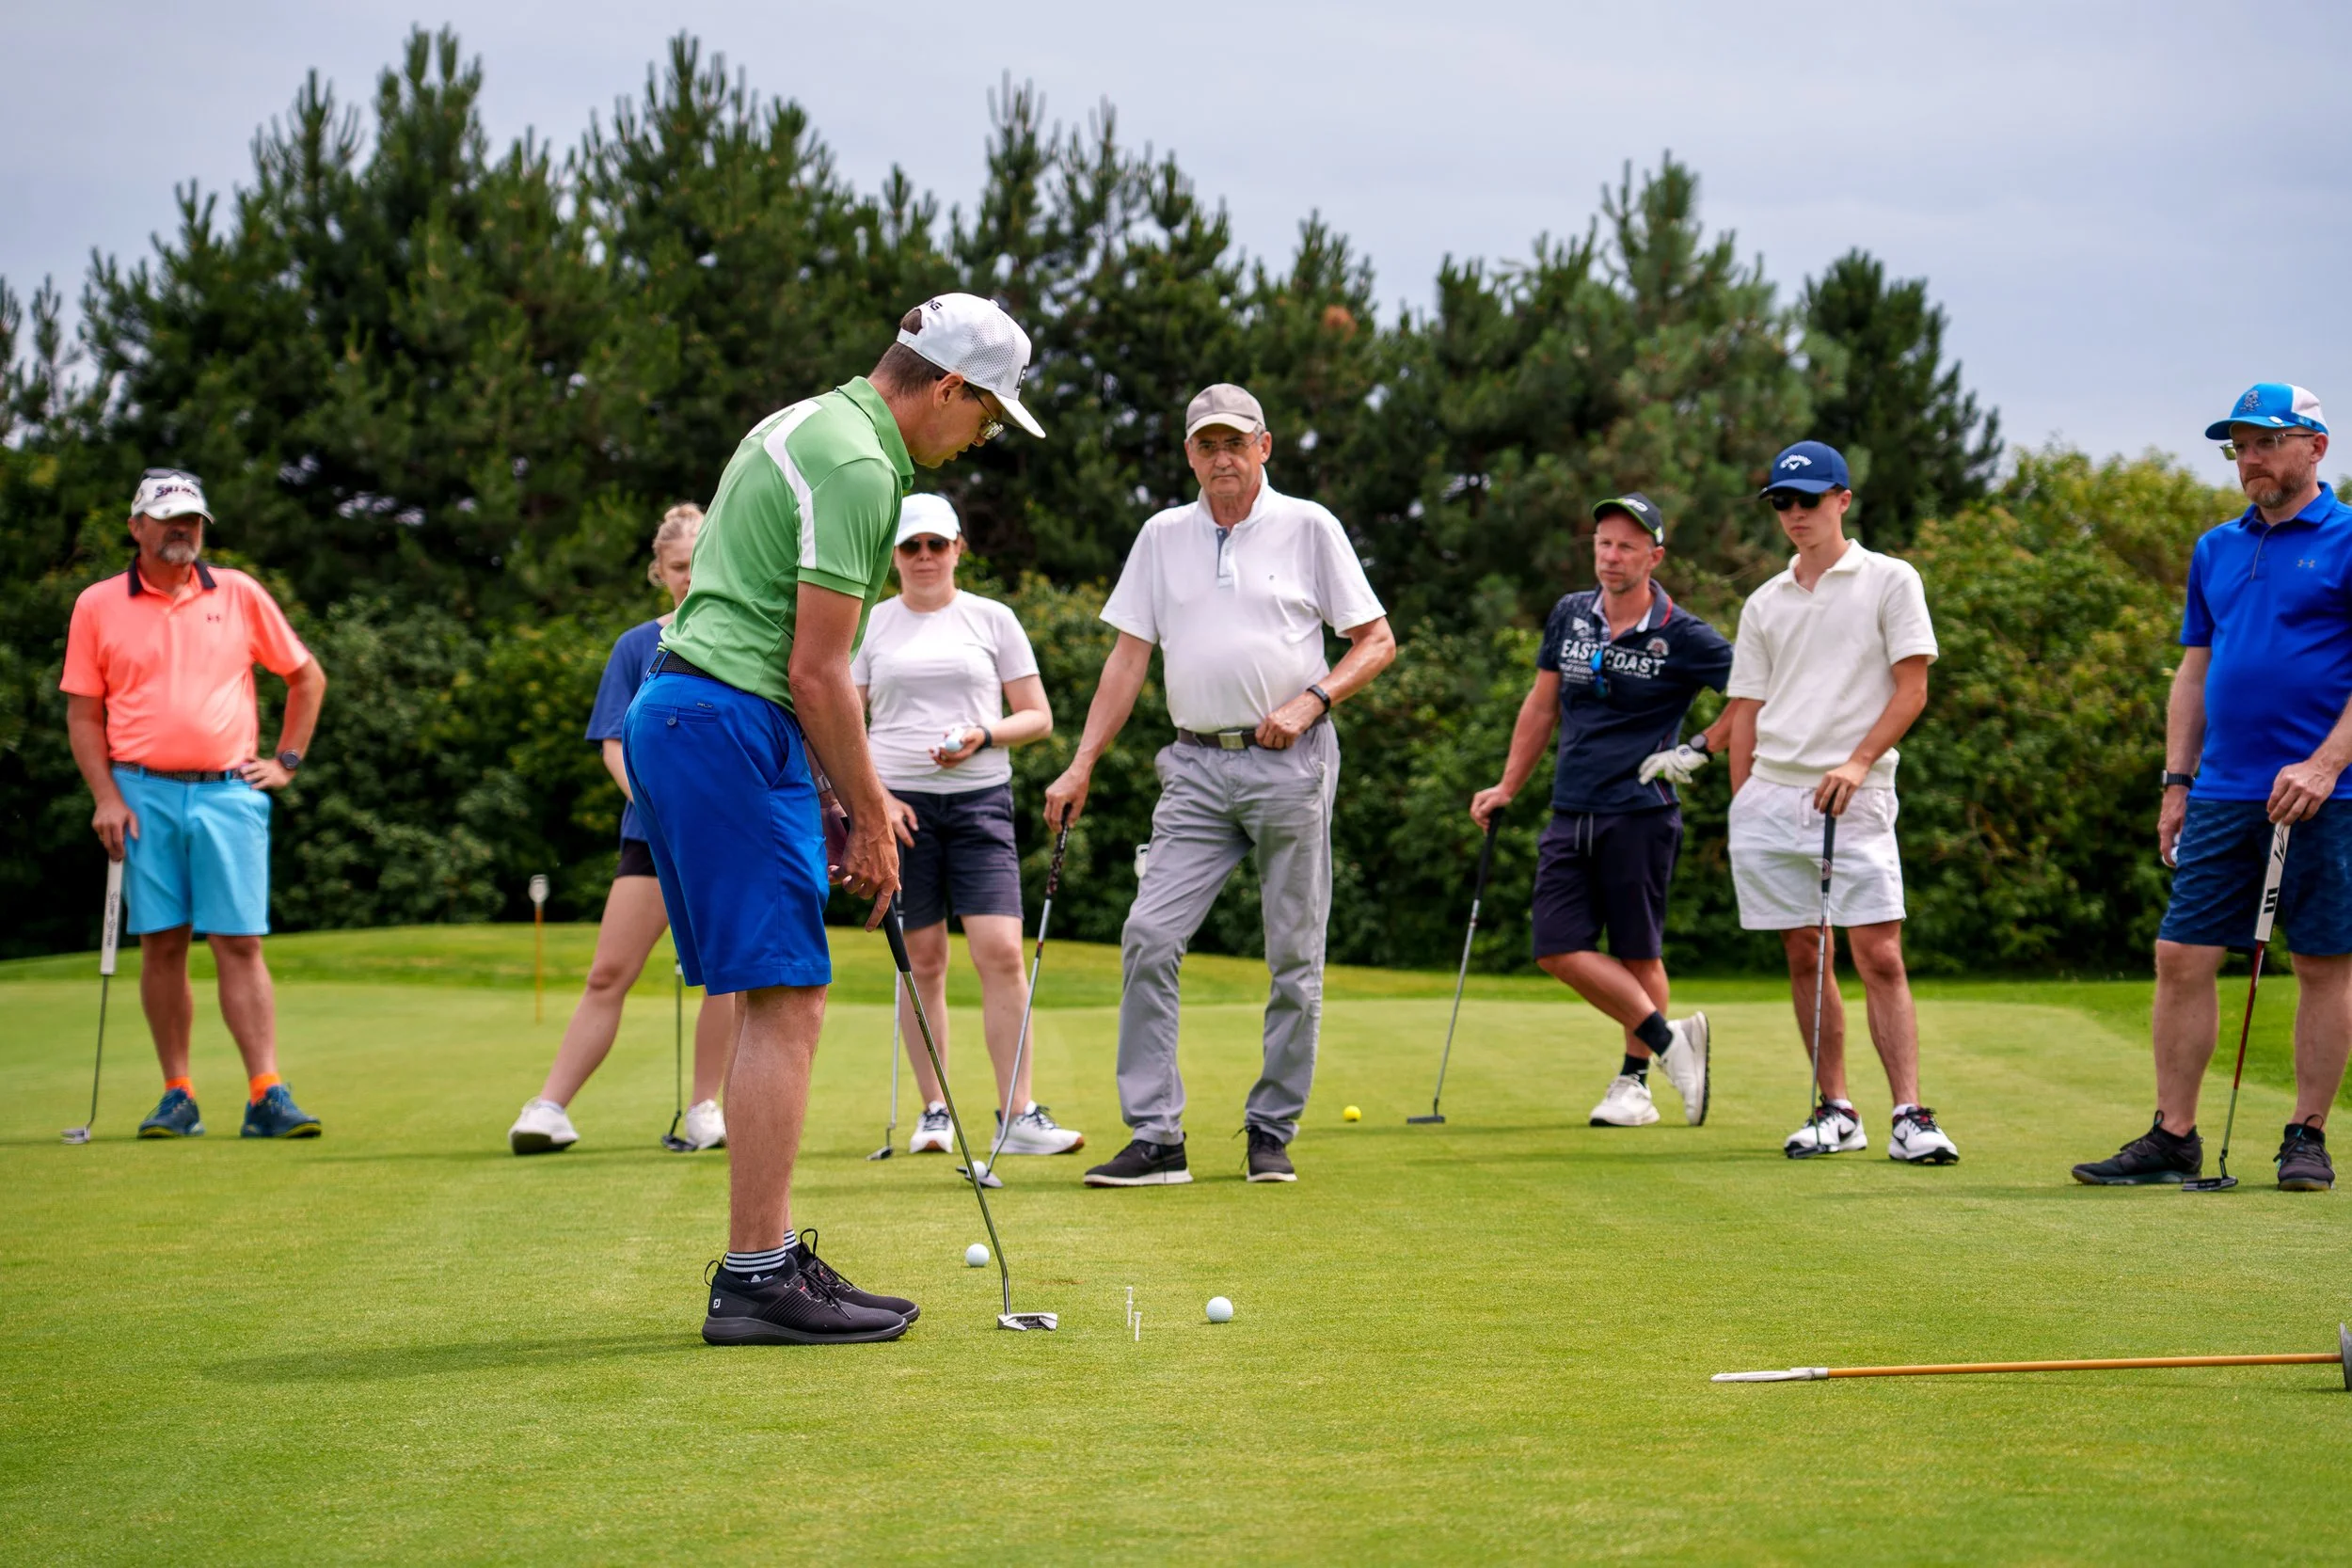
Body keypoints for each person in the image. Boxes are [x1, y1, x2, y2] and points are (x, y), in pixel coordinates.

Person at [623, 293, 1045, 1345]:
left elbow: (791, 655)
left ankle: (764, 1259)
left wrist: (837, 794)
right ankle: (755, 1279)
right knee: (788, 995)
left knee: (779, 992)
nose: (981, 437)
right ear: (947, 386)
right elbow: (817, 671)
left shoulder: (806, 419)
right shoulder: (860, 466)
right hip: (728, 720)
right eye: (987, 415)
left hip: (707, 718)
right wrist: (867, 814)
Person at [1044, 383, 1396, 1187]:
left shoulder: (1310, 526)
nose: (1223, 457)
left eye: (1236, 442)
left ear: (1263, 447)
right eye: (1208, 444)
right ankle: (1157, 1136)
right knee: (1148, 935)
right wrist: (1082, 761)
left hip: (1291, 761)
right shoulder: (1161, 535)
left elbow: (1376, 640)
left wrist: (1313, 699)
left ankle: (1271, 1127)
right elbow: (1128, 658)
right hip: (1194, 766)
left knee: (1293, 954)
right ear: (1190, 455)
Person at [2074, 383, 2351, 1193]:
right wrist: (2176, 782)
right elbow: (2194, 672)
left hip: (2329, 794)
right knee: (2181, 954)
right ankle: (2173, 1134)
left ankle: (2307, 1134)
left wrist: (2327, 763)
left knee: (2323, 963)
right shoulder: (2216, 549)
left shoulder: (2346, 539)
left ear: (2315, 447)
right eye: (2240, 446)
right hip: (2224, 790)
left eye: (2267, 442)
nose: (2250, 459)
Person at [1677, 440, 1960, 1164]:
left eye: (1809, 500)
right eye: (1783, 502)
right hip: (1773, 796)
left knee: (1880, 953)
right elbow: (1747, 709)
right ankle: (1836, 1108)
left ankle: (1910, 1113)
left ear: (1843, 500)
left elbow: (1913, 689)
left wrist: (1859, 761)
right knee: (1805, 951)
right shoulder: (1764, 602)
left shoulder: (1891, 579)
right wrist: (1744, 804)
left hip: (1857, 794)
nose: (1795, 513)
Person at [59, 468, 328, 1139]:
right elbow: (84, 714)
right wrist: (105, 797)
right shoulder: (97, 604)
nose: (182, 530)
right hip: (140, 793)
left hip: (229, 791)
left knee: (240, 942)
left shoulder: (238, 592)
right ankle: (177, 1093)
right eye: (168, 519)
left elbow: (305, 676)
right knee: (162, 943)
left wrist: (286, 762)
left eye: (192, 520)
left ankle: (266, 1093)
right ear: (136, 527)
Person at [1471, 493, 1731, 1129]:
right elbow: (1541, 705)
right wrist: (1508, 785)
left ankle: (1634, 1085)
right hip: (1571, 808)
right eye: (1603, 544)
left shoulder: (1684, 634)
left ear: (1654, 557)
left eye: (1626, 547)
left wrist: (1700, 748)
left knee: (1639, 952)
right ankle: (1673, 1041)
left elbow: (1758, 692)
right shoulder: (1570, 614)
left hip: (1641, 810)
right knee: (1555, 946)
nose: (1611, 557)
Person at [851, 493, 1081, 1158]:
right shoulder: (872, 623)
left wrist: (984, 733)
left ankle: (1018, 1114)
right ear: (894, 556)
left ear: (958, 548)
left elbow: (1036, 716)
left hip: (980, 802)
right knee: (923, 960)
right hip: (899, 809)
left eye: (936, 544)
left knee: (1001, 952)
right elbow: (845, 720)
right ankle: (934, 1111)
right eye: (910, 546)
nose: (924, 556)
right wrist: (874, 799)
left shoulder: (992, 618)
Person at [508, 505, 735, 1155]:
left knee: (726, 975)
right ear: (659, 571)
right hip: (650, 834)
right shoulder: (636, 646)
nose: (690, 576)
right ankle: (550, 1107)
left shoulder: (742, 638)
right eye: (679, 566)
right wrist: (660, 807)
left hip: (724, 834)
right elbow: (614, 744)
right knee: (609, 971)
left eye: (700, 562)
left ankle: (705, 1108)